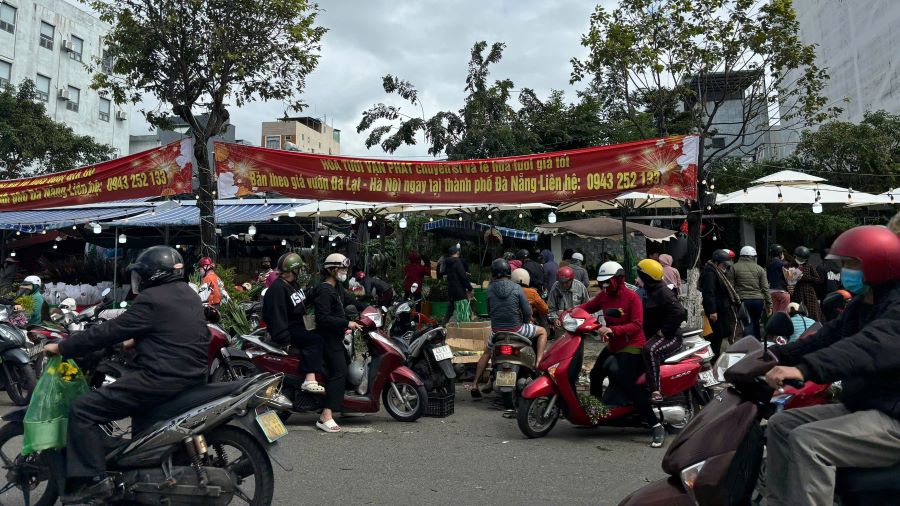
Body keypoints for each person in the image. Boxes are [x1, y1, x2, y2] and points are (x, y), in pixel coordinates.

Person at [42, 246, 208, 502]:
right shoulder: (188, 294)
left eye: (141, 274)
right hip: (190, 375)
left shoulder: (152, 299)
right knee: (141, 425)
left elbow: (108, 331)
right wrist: (137, 341)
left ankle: (95, 481)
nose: (138, 280)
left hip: (160, 378)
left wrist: (62, 346)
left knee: (83, 408)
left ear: (154, 274)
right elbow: (175, 332)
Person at [764, 225, 900, 506]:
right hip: (866, 404)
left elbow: (866, 345)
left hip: (893, 417)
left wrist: (803, 370)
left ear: (877, 264)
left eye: (852, 264)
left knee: (808, 441)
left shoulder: (896, 309)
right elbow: (827, 336)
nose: (845, 272)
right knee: (780, 424)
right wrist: (778, 356)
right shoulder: (862, 304)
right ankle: (777, 500)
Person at [577, 262, 658, 444]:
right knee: (595, 374)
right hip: (613, 345)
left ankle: (655, 424)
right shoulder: (604, 297)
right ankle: (596, 414)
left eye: (608, 282)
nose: (605, 286)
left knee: (626, 382)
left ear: (619, 279)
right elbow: (586, 307)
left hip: (633, 346)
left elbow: (637, 324)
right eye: (602, 283)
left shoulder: (632, 297)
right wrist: (566, 314)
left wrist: (614, 330)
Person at [470, 259, 548, 399]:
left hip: (497, 333)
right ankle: (538, 363)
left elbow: (489, 311)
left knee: (486, 353)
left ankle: (475, 384)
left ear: (494, 273)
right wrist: (524, 321)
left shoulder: (490, 289)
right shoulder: (517, 288)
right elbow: (527, 312)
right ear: (508, 272)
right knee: (542, 331)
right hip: (517, 330)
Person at [312, 253, 362, 433]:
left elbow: (351, 301)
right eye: (342, 268)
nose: (345, 272)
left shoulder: (337, 287)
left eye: (346, 268)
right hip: (326, 338)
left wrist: (372, 307)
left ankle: (342, 404)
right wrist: (346, 323)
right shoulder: (324, 290)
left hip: (336, 337)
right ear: (331, 270)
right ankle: (325, 415)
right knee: (339, 371)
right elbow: (323, 318)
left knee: (347, 365)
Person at [263, 252, 325, 394]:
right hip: (289, 328)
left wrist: (315, 292)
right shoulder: (277, 289)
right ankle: (309, 379)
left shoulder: (292, 284)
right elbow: (276, 316)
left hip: (299, 324)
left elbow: (299, 301)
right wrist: (284, 339)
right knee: (315, 340)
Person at [637, 260, 687, 411]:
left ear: (645, 276)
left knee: (649, 350)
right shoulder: (650, 290)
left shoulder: (662, 292)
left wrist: (665, 330)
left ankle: (655, 391)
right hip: (655, 334)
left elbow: (679, 312)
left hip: (670, 337)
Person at [700, 249, 741, 358]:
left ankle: (720, 355)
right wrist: (713, 311)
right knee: (718, 334)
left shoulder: (717, 272)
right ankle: (716, 357)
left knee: (724, 332)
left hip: (722, 308)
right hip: (717, 310)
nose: (725, 267)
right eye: (723, 264)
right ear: (717, 263)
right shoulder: (710, 273)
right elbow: (709, 293)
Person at [732, 246, 771, 338]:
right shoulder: (760, 269)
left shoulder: (734, 267)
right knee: (755, 322)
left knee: (746, 323)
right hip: (758, 301)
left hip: (743, 300)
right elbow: (765, 288)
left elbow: (731, 287)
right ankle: (757, 344)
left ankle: (748, 345)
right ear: (753, 257)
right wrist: (769, 304)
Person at [790, 246, 823, 322]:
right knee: (797, 311)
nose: (800, 260)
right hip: (797, 292)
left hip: (809, 293)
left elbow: (818, 279)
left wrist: (807, 278)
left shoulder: (809, 266)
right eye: (799, 258)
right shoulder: (791, 266)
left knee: (812, 312)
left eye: (802, 259)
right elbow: (788, 279)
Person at [443, 246, 471, 323]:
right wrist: (470, 288)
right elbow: (463, 277)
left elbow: (452, 275)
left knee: (449, 311)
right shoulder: (457, 261)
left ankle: (442, 326)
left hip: (451, 291)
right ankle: (463, 330)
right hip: (459, 292)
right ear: (457, 252)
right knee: (463, 314)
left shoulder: (448, 262)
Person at [767, 244, 790, 313]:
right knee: (783, 314)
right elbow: (789, 278)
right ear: (780, 253)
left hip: (771, 292)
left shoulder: (768, 264)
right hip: (782, 292)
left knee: (775, 314)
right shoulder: (784, 264)